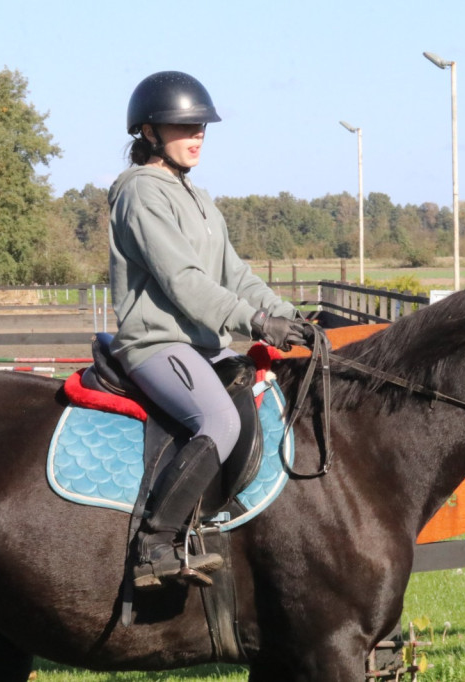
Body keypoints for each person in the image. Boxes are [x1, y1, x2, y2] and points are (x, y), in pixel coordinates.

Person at [109, 71, 308, 590]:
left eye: (201, 126)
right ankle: (155, 545)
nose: (196, 135)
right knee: (218, 421)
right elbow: (184, 282)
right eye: (183, 126)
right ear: (149, 131)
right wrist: (258, 323)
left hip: (203, 347)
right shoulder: (141, 194)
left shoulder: (198, 197)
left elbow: (235, 274)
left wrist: (290, 316)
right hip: (157, 343)